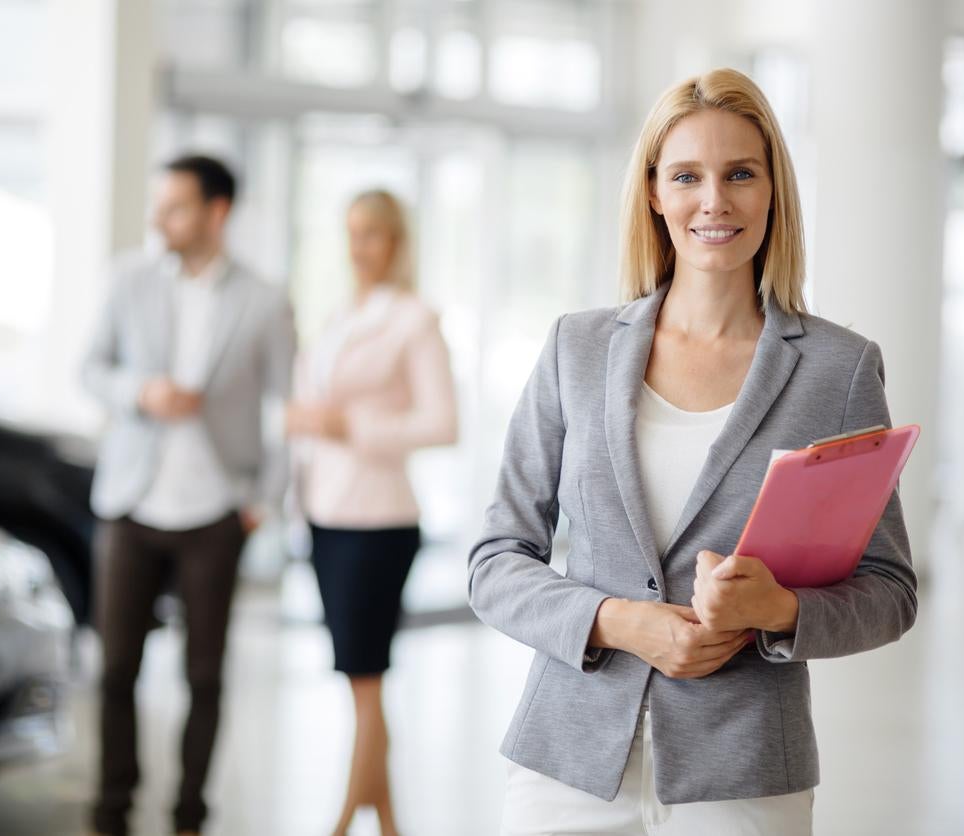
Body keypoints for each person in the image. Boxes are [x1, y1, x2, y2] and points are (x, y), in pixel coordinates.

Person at [468, 68, 918, 835]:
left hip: (743, 770)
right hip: (567, 763)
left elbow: (889, 590)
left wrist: (776, 610)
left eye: (740, 173)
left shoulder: (838, 370)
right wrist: (617, 619)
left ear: (773, 189)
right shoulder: (575, 349)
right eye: (688, 176)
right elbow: (495, 559)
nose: (714, 201)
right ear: (654, 192)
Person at [82, 154, 295, 836]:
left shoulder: (264, 300)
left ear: (216, 212)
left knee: (205, 676)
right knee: (116, 669)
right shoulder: (128, 280)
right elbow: (89, 368)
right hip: (130, 504)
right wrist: (140, 393)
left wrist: (264, 500)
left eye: (174, 207)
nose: (159, 219)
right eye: (159, 206)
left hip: (215, 514)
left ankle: (189, 814)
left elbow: (288, 410)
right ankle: (112, 809)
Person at [285, 189, 457, 836]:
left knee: (364, 679)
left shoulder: (415, 320)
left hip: (378, 522)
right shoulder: (341, 316)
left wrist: (347, 424)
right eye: (352, 233)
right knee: (362, 680)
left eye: (373, 235)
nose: (359, 248)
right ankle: (385, 820)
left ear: (397, 242)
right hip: (325, 514)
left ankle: (343, 820)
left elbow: (443, 424)